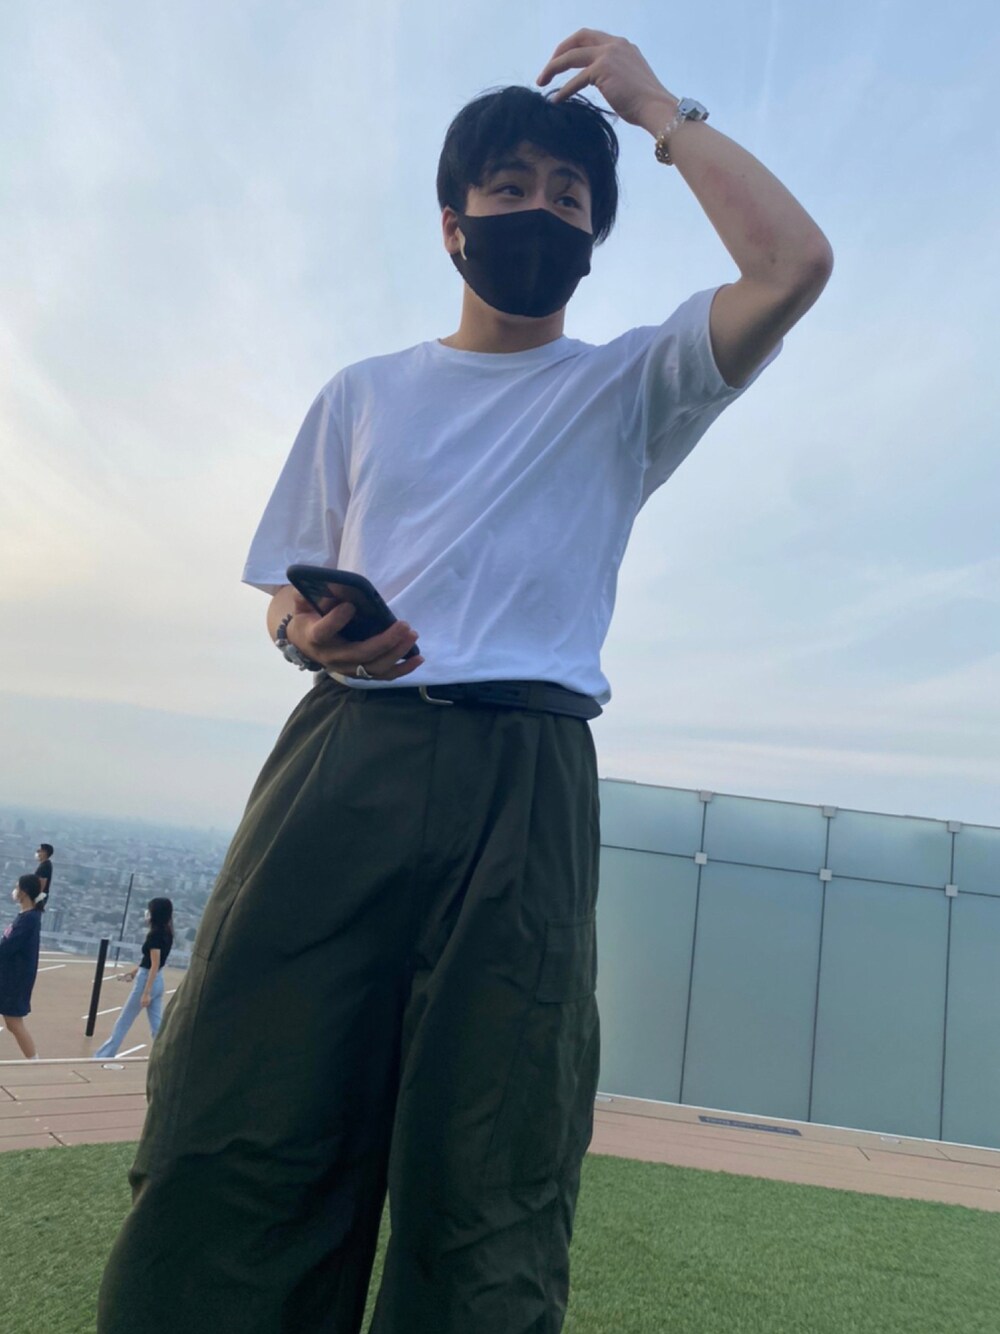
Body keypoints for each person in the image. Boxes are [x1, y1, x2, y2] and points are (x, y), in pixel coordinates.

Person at [99, 29, 832, 1334]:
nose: (539, 208)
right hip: (342, 755)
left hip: (525, 778)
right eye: (509, 186)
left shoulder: (630, 386)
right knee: (241, 1104)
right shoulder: (363, 393)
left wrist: (656, 112)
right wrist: (310, 633)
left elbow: (791, 263)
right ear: (453, 224)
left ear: (595, 235)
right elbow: (283, 593)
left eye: (568, 194)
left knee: (495, 1159)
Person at [93, 899, 174, 1059]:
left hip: (147, 981)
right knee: (157, 1025)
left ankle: (104, 1055)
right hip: (158, 979)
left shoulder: (154, 935)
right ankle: (165, 1056)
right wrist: (133, 973)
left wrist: (146, 992)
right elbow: (151, 963)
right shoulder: (167, 933)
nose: (147, 913)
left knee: (124, 1021)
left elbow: (154, 964)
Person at [0, 874, 45, 1059]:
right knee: (13, 1023)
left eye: (17, 887)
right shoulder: (26, 916)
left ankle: (35, 1061)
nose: (15, 890)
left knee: (14, 1023)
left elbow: (8, 946)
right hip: (9, 976)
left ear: (24, 892)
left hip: (13, 980)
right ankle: (34, 1061)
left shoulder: (29, 919)